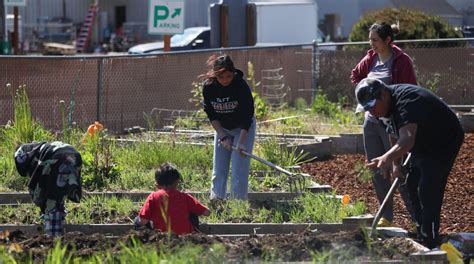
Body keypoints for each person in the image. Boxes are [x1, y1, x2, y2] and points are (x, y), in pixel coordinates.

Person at [355, 78, 464, 249]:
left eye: (372, 106)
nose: (371, 112)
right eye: (367, 109)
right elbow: (393, 135)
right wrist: (396, 165)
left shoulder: (406, 101)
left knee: (428, 186)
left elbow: (406, 140)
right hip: (423, 139)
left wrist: (386, 158)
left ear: (383, 95)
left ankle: (431, 238)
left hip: (443, 139)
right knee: (410, 182)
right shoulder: (384, 110)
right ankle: (421, 231)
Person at [351, 22, 417, 227]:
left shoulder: (401, 61)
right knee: (378, 169)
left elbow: (410, 90)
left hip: (392, 122)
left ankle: (417, 218)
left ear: (388, 40)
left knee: (400, 168)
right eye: (370, 39)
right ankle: (387, 217)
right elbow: (356, 76)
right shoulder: (370, 58)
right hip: (371, 122)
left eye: (375, 40)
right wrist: (364, 93)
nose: (371, 44)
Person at [201, 54, 256, 200]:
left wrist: (242, 142)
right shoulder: (209, 88)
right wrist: (223, 136)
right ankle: (217, 200)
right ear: (215, 75)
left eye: (228, 76)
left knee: (239, 168)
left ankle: (238, 203)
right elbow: (212, 115)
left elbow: (247, 116)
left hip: (243, 128)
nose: (225, 80)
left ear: (233, 73)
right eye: (221, 77)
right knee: (219, 167)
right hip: (222, 128)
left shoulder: (240, 86)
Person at [14, 141, 83, 237]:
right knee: (58, 192)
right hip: (74, 156)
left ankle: (54, 238)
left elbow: (40, 188)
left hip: (57, 158)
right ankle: (58, 228)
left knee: (51, 203)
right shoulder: (39, 149)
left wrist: (44, 205)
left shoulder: (31, 158)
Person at [135, 163, 210, 235]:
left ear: (157, 185)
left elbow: (143, 221)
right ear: (177, 182)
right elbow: (207, 212)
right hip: (185, 238)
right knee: (193, 214)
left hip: (161, 237)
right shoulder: (185, 197)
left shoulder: (153, 197)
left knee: (137, 220)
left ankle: (144, 244)